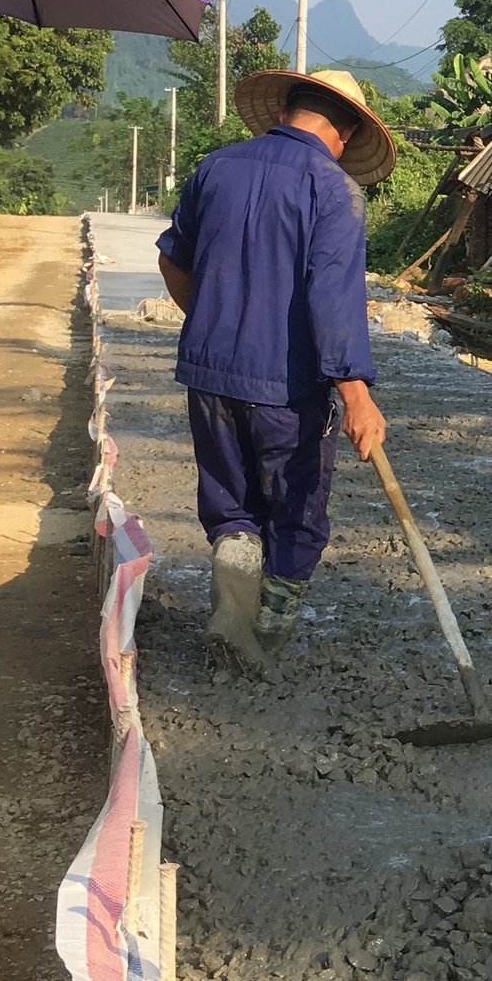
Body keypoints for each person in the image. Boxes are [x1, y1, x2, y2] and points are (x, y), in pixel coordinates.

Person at [158, 66, 391, 674]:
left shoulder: (216, 168)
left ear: (286, 109)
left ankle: (231, 612)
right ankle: (261, 640)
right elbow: (333, 303)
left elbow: (172, 259)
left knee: (232, 506)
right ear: (343, 130)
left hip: (209, 374)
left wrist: (212, 320)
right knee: (296, 511)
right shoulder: (334, 190)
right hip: (285, 388)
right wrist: (358, 397)